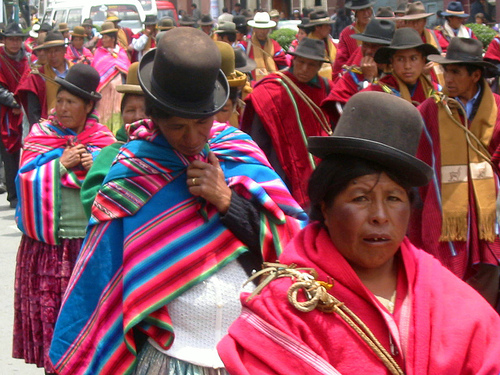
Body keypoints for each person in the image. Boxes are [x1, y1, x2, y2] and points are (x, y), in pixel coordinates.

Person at [49, 27, 306, 375]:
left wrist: (228, 200)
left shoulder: (237, 153)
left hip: (245, 356)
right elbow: (100, 276)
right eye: (176, 127)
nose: (191, 138)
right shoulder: (131, 172)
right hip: (167, 360)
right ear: (153, 118)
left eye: (201, 123)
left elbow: (293, 246)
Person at [217, 91, 500, 374]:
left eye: (394, 198)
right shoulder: (287, 305)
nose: (379, 216)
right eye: (360, 198)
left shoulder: (442, 293)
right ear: (325, 206)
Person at [13, 64, 116, 374]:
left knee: (85, 326)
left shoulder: (103, 141)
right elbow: (24, 181)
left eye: (72, 102)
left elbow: (114, 188)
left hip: (86, 248)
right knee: (52, 327)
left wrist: (95, 162)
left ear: (89, 106)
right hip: (47, 250)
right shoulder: (40, 136)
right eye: (60, 99)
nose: (63, 108)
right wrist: (61, 165)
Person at [412, 37, 500, 308]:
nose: (447, 78)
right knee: (444, 280)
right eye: (445, 71)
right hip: (444, 210)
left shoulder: (497, 109)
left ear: (475, 75)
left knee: (489, 278)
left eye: (455, 72)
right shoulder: (431, 109)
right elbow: (419, 156)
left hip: (489, 213)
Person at [241, 38, 332, 209]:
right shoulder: (269, 89)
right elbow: (257, 139)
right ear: (293, 60)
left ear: (320, 67)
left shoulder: (325, 88)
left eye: (311, 65)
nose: (304, 69)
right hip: (282, 168)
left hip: (320, 171)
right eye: (301, 62)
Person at [81, 62, 146, 219]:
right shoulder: (111, 153)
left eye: (146, 111)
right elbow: (91, 198)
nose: (137, 116)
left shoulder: (170, 151)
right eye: (130, 110)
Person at [321, 18, 395, 125]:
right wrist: (369, 81)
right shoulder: (353, 76)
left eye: (375, 46)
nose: (369, 51)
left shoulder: (400, 74)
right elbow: (344, 112)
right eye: (365, 45)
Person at [362, 28, 439, 106]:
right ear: (392, 62)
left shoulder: (435, 91)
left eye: (413, 59)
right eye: (400, 59)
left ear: (423, 61)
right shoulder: (377, 93)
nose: (407, 66)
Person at [0, 23, 31, 209]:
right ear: (4, 41)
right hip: (6, 112)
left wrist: (23, 102)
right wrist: (14, 102)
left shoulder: (27, 58)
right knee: (9, 154)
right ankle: (13, 195)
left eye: (18, 39)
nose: (14, 42)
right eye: (11, 39)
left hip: (25, 110)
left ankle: (27, 191)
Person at [17, 31, 73, 127]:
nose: (52, 55)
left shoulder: (76, 72)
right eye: (49, 51)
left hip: (75, 128)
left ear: (65, 50)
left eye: (56, 50)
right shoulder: (37, 77)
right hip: (49, 129)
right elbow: (33, 113)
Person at [91, 21, 131, 133]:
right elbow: (96, 70)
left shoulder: (121, 52)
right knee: (104, 114)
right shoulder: (98, 53)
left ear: (113, 38)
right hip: (104, 92)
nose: (103, 40)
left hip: (119, 92)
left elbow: (127, 68)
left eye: (106, 37)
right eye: (102, 37)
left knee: (118, 112)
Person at [400, 1, 444, 86]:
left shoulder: (435, 36)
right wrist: (419, 71)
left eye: (418, 21)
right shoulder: (400, 41)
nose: (415, 24)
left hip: (435, 82)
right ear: (405, 23)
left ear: (424, 22)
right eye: (411, 21)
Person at [332, 0, 374, 78]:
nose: (366, 13)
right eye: (362, 10)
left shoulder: (379, 31)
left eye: (368, 9)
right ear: (355, 12)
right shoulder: (347, 34)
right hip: (355, 78)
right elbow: (340, 64)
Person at [243, 12, 288, 82]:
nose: (262, 32)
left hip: (273, 83)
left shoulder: (275, 45)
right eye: (259, 28)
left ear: (269, 29)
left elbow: (283, 67)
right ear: (254, 29)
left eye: (265, 28)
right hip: (252, 86)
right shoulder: (245, 45)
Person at [214, 42, 249, 127]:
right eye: (204, 110)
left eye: (224, 110)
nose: (214, 119)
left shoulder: (236, 139)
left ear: (234, 107)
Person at [305, 10, 337, 80]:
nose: (330, 28)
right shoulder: (308, 46)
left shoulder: (330, 43)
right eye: (327, 25)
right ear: (317, 27)